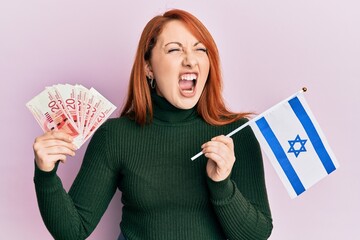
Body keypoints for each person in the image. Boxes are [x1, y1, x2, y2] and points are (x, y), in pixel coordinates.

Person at [33, 9, 273, 240]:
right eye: (174, 50)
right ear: (149, 67)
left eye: (200, 49)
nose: (190, 60)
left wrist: (221, 184)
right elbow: (73, 231)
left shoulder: (236, 133)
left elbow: (257, 235)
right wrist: (45, 174)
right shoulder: (114, 137)